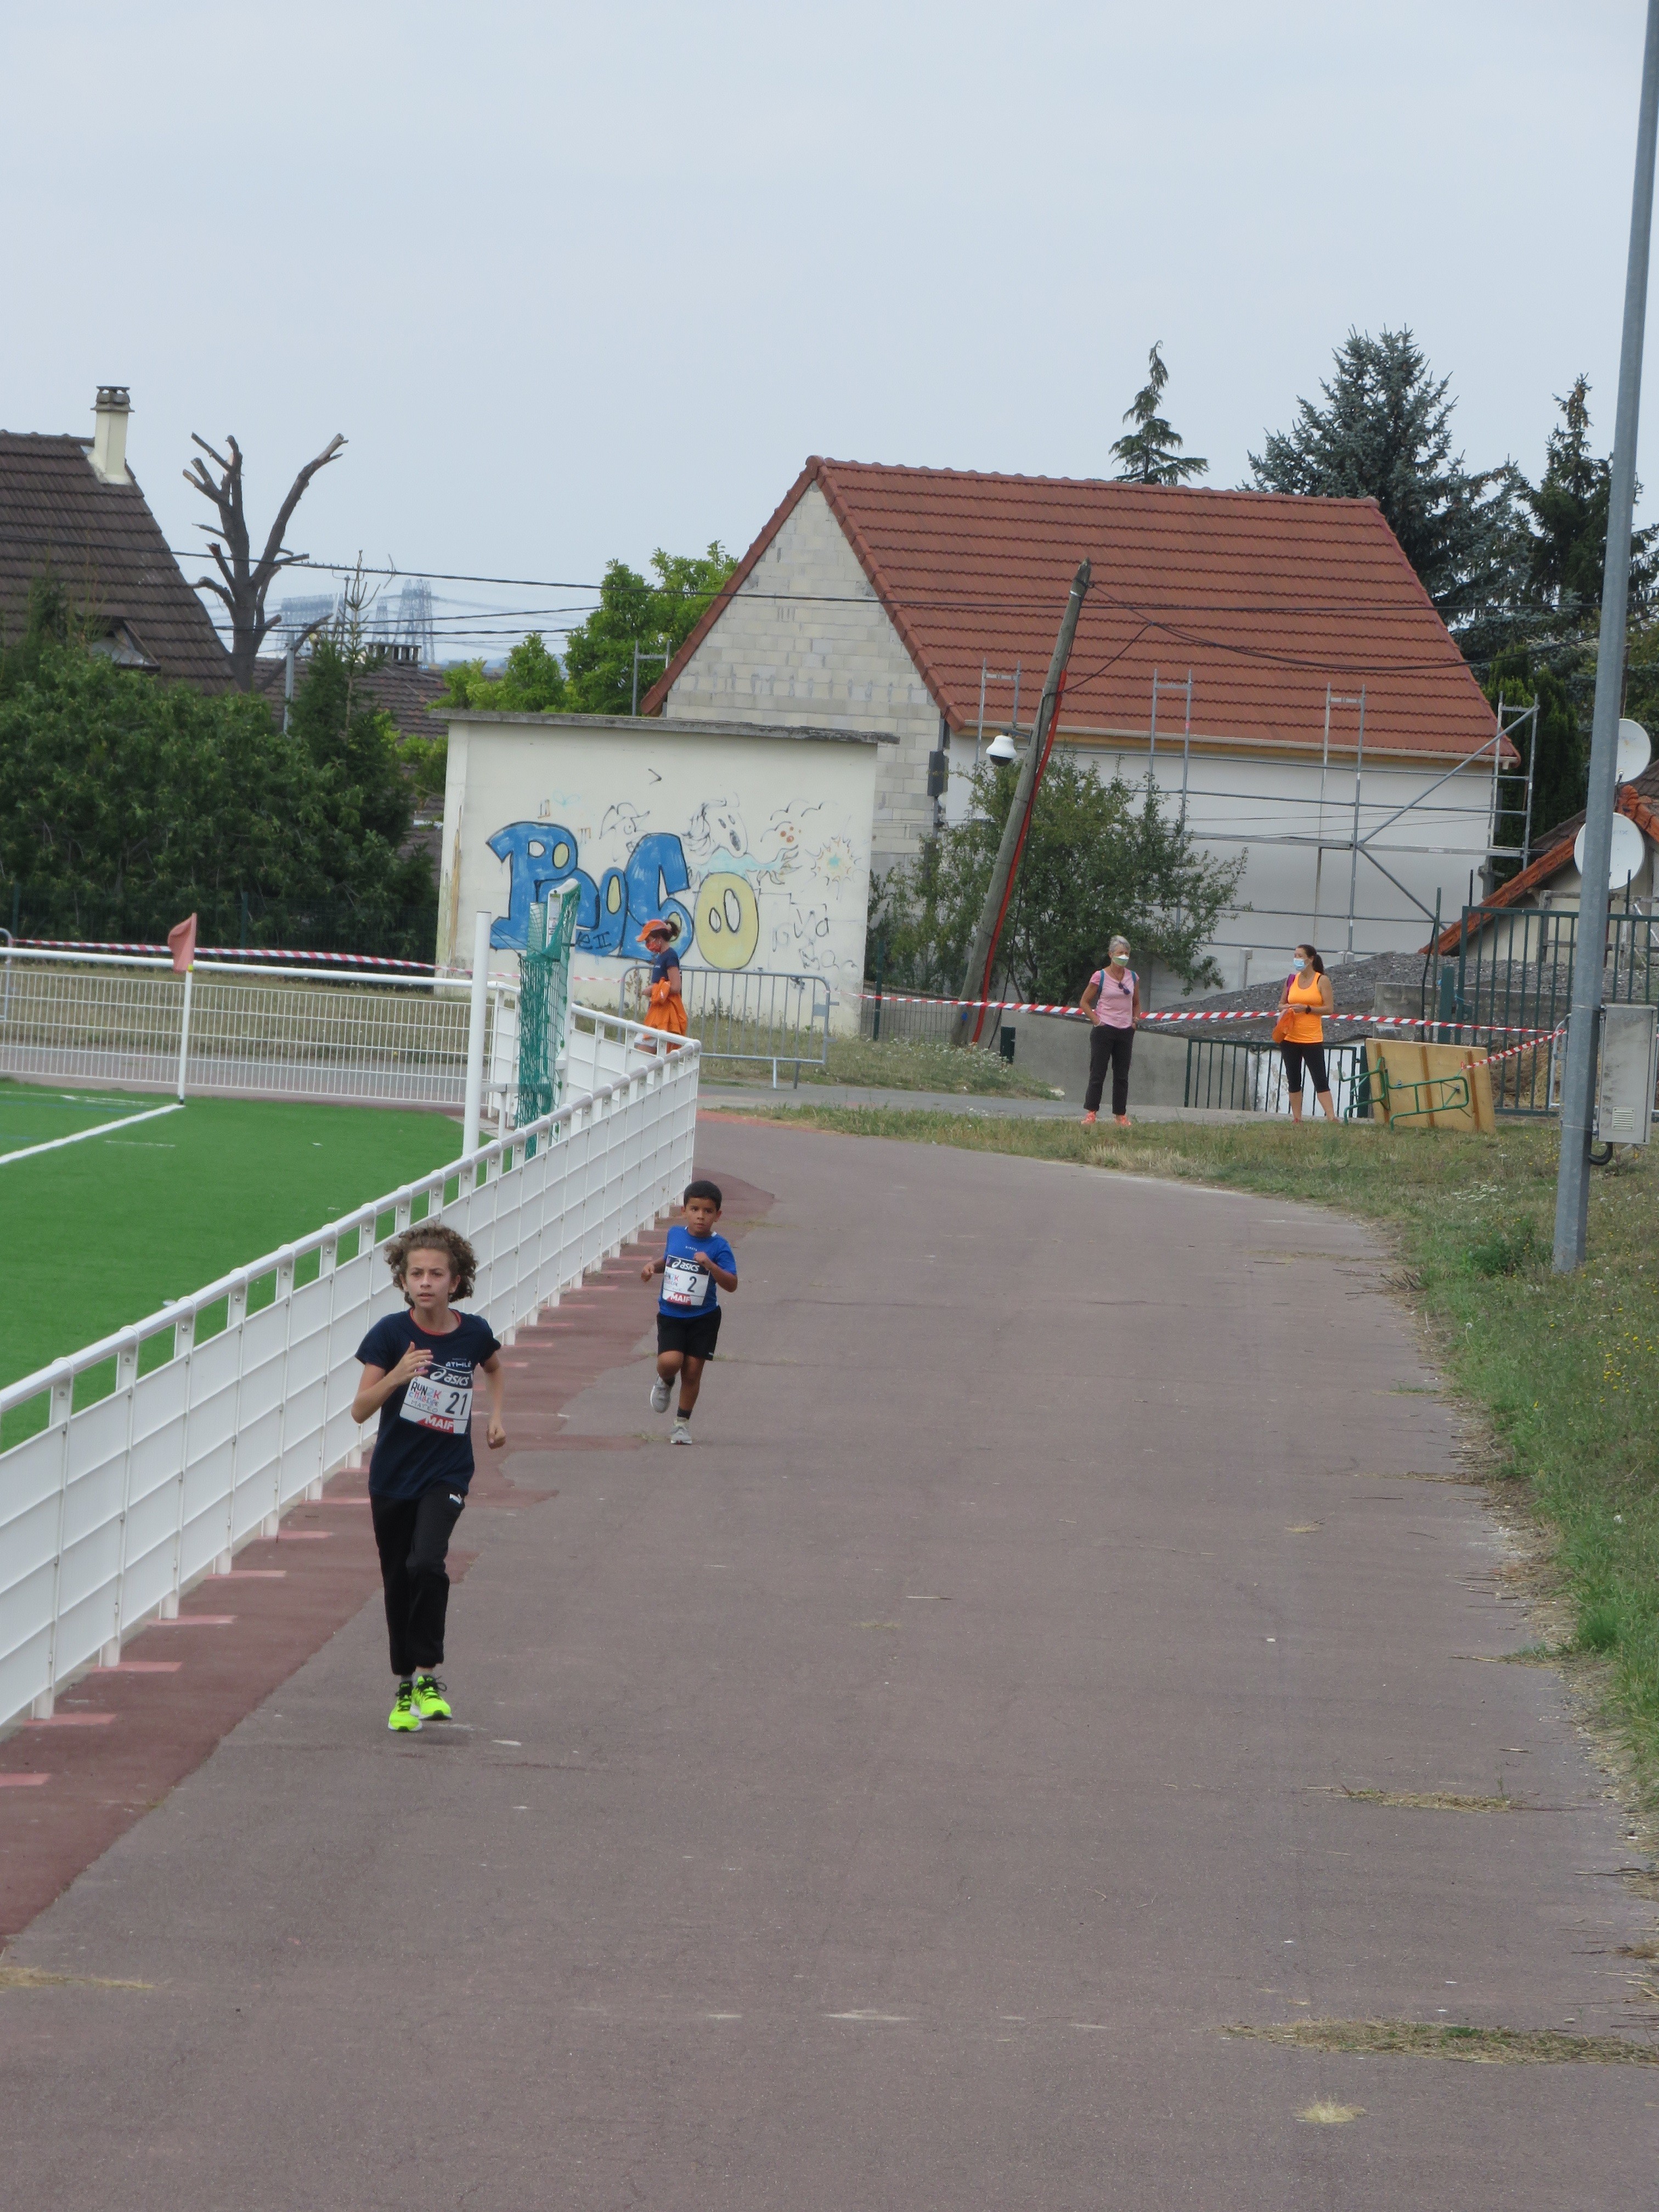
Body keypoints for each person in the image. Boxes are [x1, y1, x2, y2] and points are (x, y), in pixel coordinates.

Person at [352, 1225, 506, 1734]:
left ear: (455, 1280)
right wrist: (398, 1374)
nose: (425, 1282)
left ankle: (428, 1677)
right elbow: (359, 1410)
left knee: (426, 1563)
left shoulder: (473, 1330)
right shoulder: (390, 1335)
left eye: (436, 1274)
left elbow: (494, 1367)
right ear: (403, 1281)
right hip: (393, 1478)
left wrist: (495, 1417)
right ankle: (404, 1688)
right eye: (415, 1274)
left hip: (447, 1473)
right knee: (398, 1579)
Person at [641, 1177, 737, 1446]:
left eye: (708, 1212)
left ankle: (681, 1425)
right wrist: (653, 1267)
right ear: (684, 1211)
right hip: (672, 1313)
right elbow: (668, 1260)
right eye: (695, 1210)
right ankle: (665, 1379)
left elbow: (732, 1284)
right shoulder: (675, 1234)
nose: (700, 1217)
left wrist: (711, 1267)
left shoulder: (720, 1247)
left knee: (693, 1372)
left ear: (717, 1216)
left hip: (703, 1317)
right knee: (671, 1362)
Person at [1077, 935, 1143, 1126]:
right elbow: (1084, 1002)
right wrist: (1097, 1021)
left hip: (1125, 1031)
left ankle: (1120, 1115)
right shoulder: (1101, 976)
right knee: (1098, 1072)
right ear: (1111, 955)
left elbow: (1136, 1003)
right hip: (1104, 1030)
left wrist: (1135, 1022)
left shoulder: (1133, 977)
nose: (1123, 957)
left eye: (1127, 954)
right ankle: (1091, 1113)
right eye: (1120, 953)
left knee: (1122, 1075)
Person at [1276, 943, 1338, 1122]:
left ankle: (1332, 1117)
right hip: (1290, 1037)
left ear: (1310, 959)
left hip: (1312, 1038)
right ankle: (1297, 1118)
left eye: (1300, 956)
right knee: (1293, 1079)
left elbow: (1329, 1009)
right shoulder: (1291, 980)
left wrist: (1307, 1009)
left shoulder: (1322, 980)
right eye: (1295, 956)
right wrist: (1287, 1007)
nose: (1297, 959)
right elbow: (1280, 1003)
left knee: (1320, 1079)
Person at [639, 918, 688, 1046]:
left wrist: (653, 990)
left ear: (659, 938)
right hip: (658, 1013)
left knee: (643, 1052)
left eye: (648, 941)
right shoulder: (661, 957)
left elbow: (676, 986)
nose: (647, 945)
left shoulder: (670, 956)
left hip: (665, 1016)